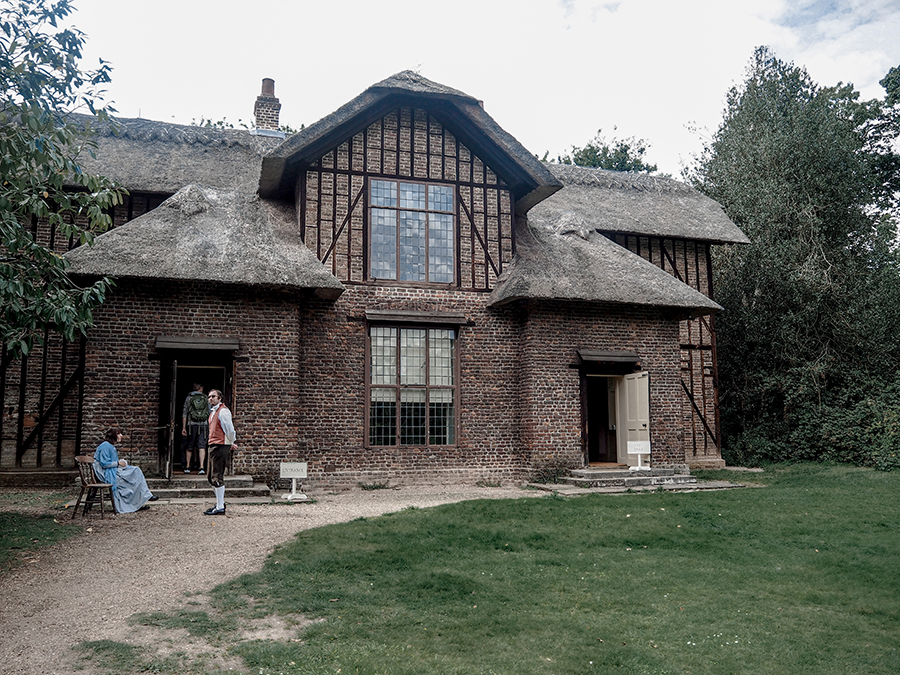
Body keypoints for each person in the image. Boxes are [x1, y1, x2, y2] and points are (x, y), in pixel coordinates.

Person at [93, 427, 158, 513]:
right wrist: (118, 463)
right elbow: (104, 463)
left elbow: (112, 462)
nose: (121, 436)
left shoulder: (111, 446)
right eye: (119, 434)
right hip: (105, 473)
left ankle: (143, 498)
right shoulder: (105, 446)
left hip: (111, 470)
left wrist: (121, 463)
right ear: (113, 436)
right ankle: (139, 501)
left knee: (136, 470)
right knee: (133, 476)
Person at [204, 389, 235, 515]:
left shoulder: (223, 411)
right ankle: (218, 503)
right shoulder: (212, 413)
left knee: (217, 476)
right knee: (210, 476)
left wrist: (231, 442)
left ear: (220, 398)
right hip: (213, 445)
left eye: (213, 396)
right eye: (209, 396)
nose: (211, 398)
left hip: (220, 445)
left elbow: (230, 429)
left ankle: (220, 506)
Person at [181, 383, 210, 474]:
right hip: (203, 425)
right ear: (200, 388)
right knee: (202, 446)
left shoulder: (189, 398)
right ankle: (201, 467)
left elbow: (184, 413)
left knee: (190, 446)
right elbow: (210, 412)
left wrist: (183, 427)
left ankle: (188, 466)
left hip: (191, 425)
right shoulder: (206, 398)